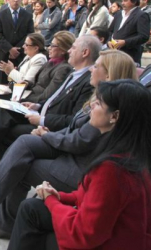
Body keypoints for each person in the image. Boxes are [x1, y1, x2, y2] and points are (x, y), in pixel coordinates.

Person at [0, 50, 138, 240]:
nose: (92, 69)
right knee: (23, 142)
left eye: (97, 66)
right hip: (68, 150)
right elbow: (74, 129)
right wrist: (47, 134)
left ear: (108, 74)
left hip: (77, 166)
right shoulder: (98, 98)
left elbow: (79, 141)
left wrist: (46, 134)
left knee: (21, 162)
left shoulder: (109, 107)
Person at [8, 79, 151, 250]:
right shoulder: (129, 153)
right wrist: (59, 196)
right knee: (31, 207)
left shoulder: (112, 168)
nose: (91, 106)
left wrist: (51, 200)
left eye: (98, 103)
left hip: (105, 242)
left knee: (32, 212)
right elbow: (92, 198)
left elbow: (83, 234)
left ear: (114, 116)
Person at [0, 35, 100, 174]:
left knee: (2, 127)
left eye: (73, 48)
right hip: (35, 106)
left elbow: (53, 101)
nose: (49, 47)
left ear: (84, 52)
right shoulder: (67, 71)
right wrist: (37, 106)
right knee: (1, 111)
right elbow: (50, 97)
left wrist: (41, 118)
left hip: (47, 122)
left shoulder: (71, 73)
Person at [0, 0, 35, 84]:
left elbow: (30, 34)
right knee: (1, 86)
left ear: (21, 0)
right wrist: (10, 48)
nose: (16, 0)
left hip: (21, 55)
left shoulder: (27, 15)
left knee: (19, 84)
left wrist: (17, 49)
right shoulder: (1, 15)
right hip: (3, 55)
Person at [108, 0, 150, 65]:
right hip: (114, 53)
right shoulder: (119, 14)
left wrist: (125, 42)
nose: (122, 3)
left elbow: (143, 36)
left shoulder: (141, 15)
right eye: (122, 1)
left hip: (130, 55)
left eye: (125, 1)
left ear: (134, 2)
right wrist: (109, 41)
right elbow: (110, 31)